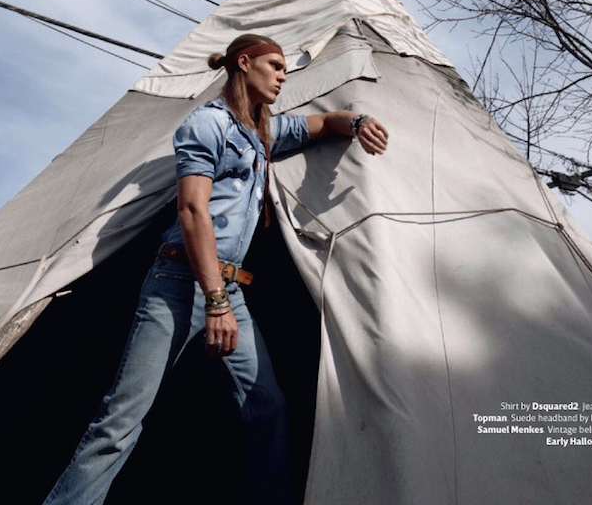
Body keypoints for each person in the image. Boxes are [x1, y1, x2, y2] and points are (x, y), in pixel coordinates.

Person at [43, 33, 388, 505]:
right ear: (243, 64)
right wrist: (216, 301)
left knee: (268, 410)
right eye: (275, 65)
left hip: (230, 292)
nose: (284, 75)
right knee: (120, 422)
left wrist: (360, 121)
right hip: (180, 283)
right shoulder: (207, 125)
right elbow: (192, 212)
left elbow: (326, 121)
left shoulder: (263, 133)